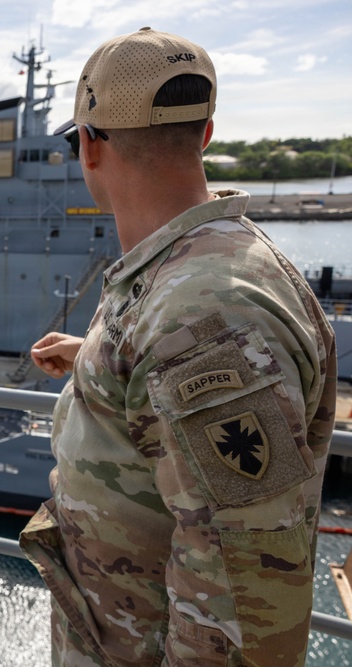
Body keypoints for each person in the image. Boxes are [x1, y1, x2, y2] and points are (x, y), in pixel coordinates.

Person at [20, 27, 336, 666]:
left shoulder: (204, 311)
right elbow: (176, 369)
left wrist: (169, 357)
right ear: (207, 133)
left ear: (88, 145)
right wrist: (101, 358)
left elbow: (244, 610)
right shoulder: (182, 281)